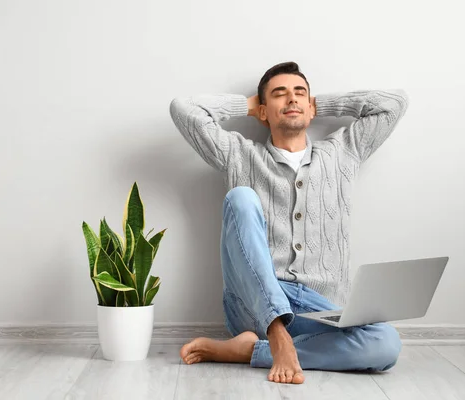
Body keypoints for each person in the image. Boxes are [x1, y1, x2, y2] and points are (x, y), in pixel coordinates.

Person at [169, 61, 409, 384]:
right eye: (279, 95)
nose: (292, 100)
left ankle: (250, 351)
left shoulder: (342, 153)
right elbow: (183, 109)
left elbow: (395, 103)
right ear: (264, 111)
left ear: (310, 107)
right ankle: (275, 333)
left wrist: (320, 104)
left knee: (386, 343)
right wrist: (248, 105)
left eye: (300, 94)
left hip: (319, 309)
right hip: (250, 302)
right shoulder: (239, 154)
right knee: (241, 198)